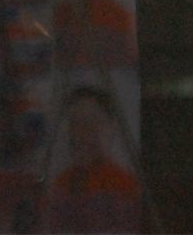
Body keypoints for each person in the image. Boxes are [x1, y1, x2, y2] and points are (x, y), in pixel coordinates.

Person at [40, 86, 142, 234]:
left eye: (92, 121)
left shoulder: (125, 186)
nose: (82, 132)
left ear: (111, 128)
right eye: (76, 122)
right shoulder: (60, 186)